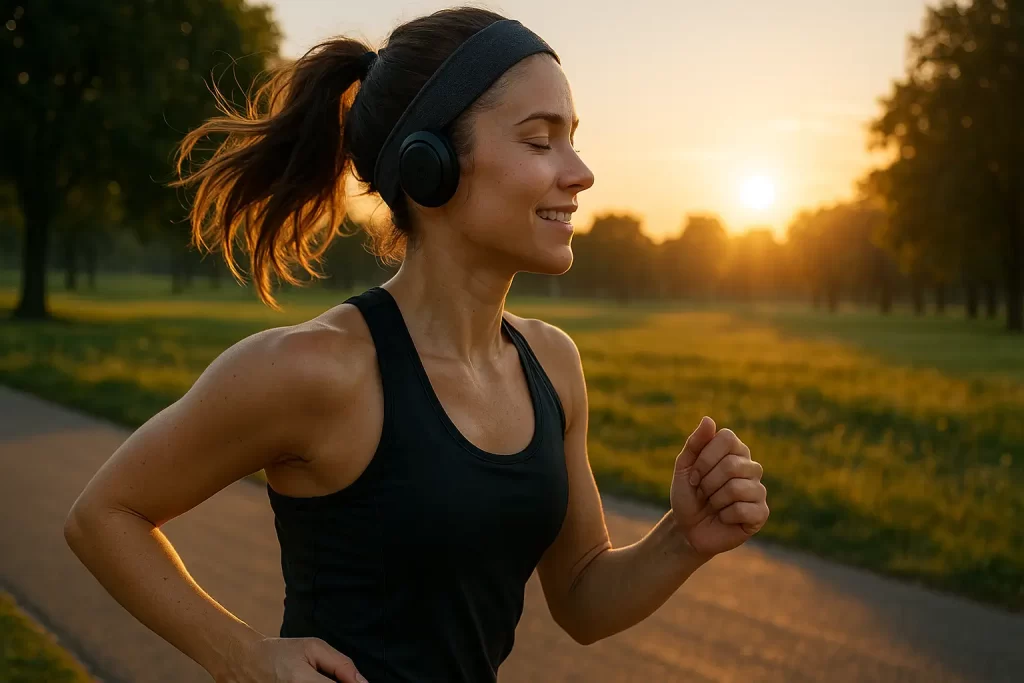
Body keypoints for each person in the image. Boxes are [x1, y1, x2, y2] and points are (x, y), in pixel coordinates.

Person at [63, 6, 769, 683]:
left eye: (573, 137)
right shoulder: (317, 369)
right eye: (539, 139)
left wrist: (683, 538)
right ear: (430, 164)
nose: (579, 172)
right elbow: (103, 516)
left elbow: (583, 597)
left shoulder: (553, 365)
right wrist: (239, 654)